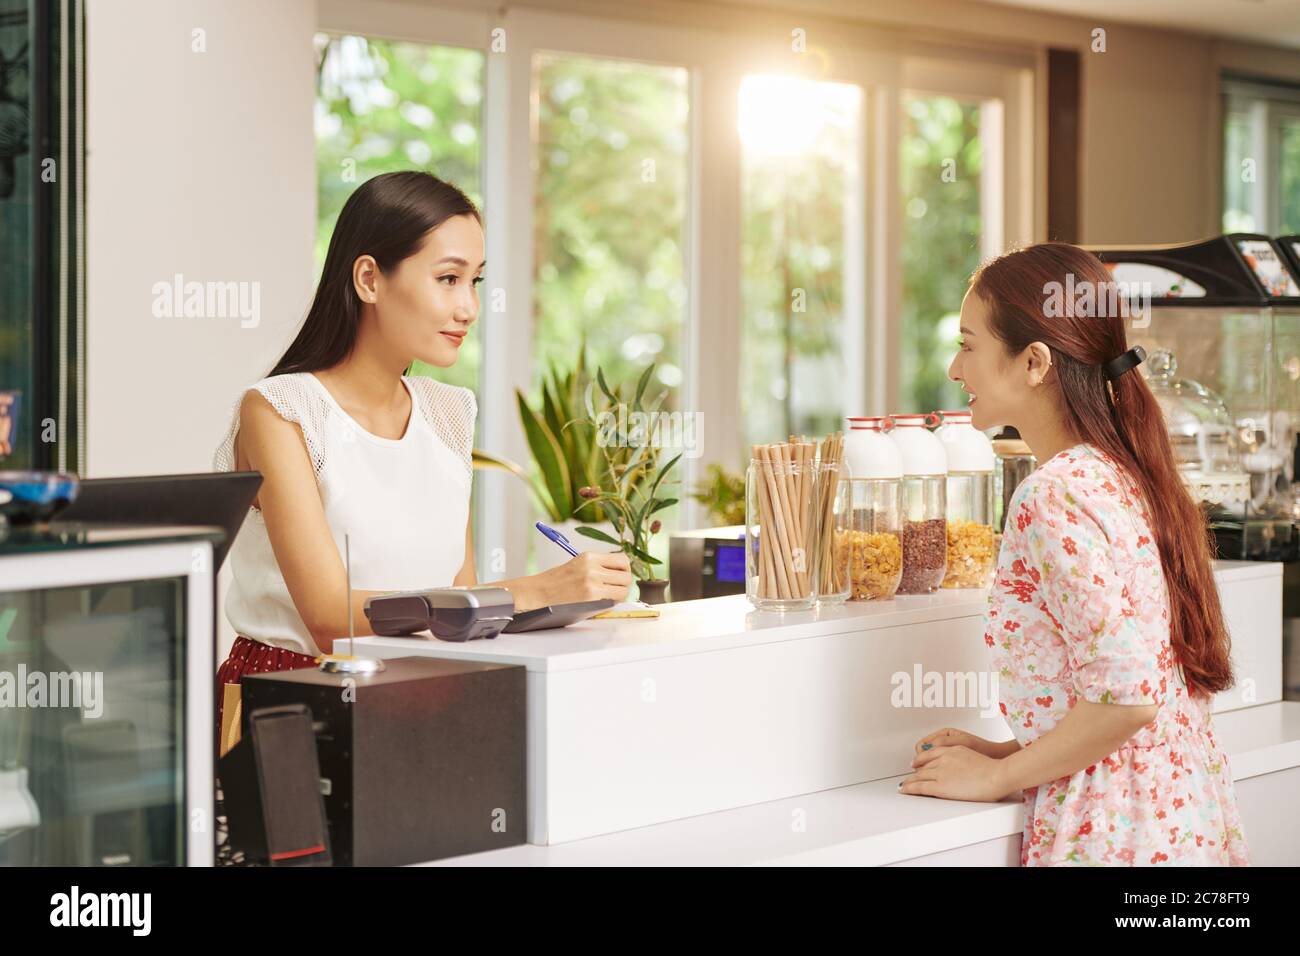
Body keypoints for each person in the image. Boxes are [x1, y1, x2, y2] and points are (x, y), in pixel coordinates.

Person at [212, 171, 631, 730]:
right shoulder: (279, 411)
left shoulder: (449, 413)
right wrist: (535, 588)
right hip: (298, 703)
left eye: (476, 282)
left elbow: (464, 604)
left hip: (429, 691)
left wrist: (560, 603)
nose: (469, 308)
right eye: (448, 279)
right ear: (368, 279)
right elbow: (328, 617)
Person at [902, 242, 1249, 866]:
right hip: (1179, 815)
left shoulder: (1052, 495)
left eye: (969, 344)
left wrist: (994, 780)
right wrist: (1010, 751)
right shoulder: (1125, 474)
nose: (956, 370)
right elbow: (1132, 686)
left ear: (1034, 362)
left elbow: (1128, 695)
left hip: (1115, 831)